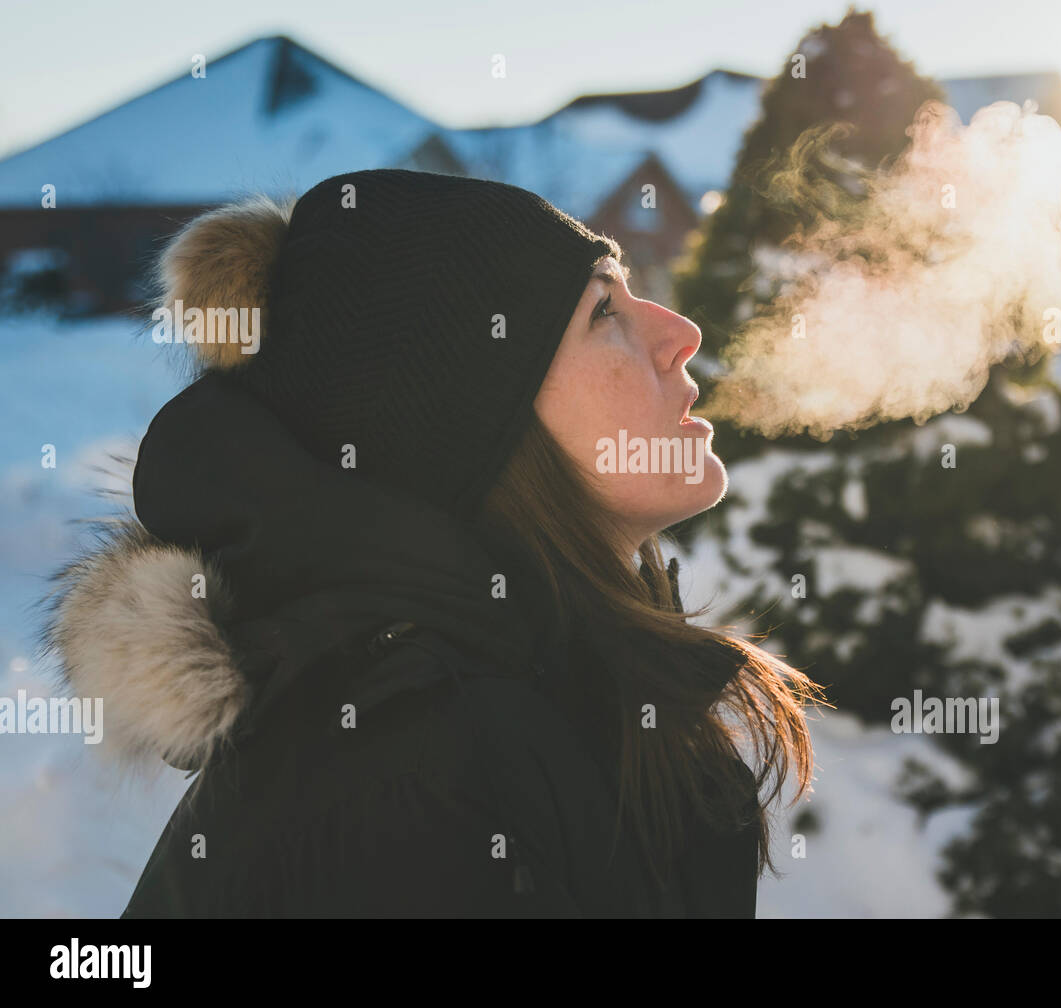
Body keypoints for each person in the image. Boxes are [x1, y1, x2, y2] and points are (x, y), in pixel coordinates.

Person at [41, 169, 823, 918]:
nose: (678, 332)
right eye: (599, 313)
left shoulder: (540, 686)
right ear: (466, 427)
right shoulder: (402, 785)